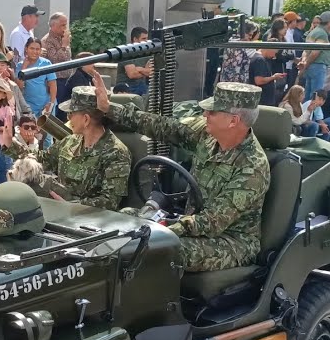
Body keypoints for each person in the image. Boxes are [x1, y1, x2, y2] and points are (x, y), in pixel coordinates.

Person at [96, 77, 269, 273]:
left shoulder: (253, 167)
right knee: (124, 218)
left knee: (163, 249)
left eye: (212, 112)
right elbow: (163, 126)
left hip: (232, 241)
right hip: (191, 224)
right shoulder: (206, 134)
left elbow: (213, 221)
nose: (205, 114)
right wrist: (109, 108)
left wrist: (164, 228)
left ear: (233, 121)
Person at [42, 86, 131, 210]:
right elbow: (42, 160)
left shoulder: (116, 152)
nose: (68, 118)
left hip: (89, 219)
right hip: (59, 211)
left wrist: (72, 206)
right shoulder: (70, 141)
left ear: (86, 119)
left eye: (71, 113)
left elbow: (109, 202)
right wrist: (14, 144)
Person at [17, 38, 57, 128]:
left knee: (48, 133)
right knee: (31, 131)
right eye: (32, 48)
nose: (35, 52)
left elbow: (53, 84)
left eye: (37, 49)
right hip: (29, 107)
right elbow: (19, 86)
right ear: (26, 49)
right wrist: (24, 67)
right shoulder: (20, 65)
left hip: (46, 105)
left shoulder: (46, 63)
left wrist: (51, 103)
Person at [300, 11, 330, 99]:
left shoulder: (313, 32)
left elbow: (306, 51)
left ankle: (307, 108)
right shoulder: (322, 34)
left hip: (311, 67)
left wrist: (305, 63)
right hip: (318, 66)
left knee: (308, 94)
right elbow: (315, 52)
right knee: (316, 95)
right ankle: (313, 108)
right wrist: (306, 64)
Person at [117, 27, 155, 96]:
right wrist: (145, 71)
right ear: (135, 39)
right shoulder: (126, 52)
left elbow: (151, 72)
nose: (146, 41)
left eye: (147, 38)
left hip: (141, 87)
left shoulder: (146, 53)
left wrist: (139, 69)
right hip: (126, 87)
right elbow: (132, 74)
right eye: (143, 39)